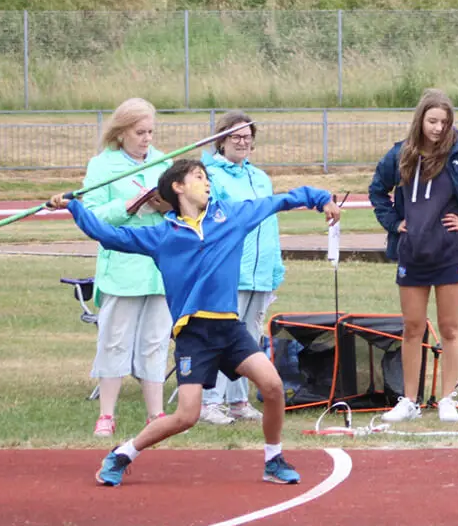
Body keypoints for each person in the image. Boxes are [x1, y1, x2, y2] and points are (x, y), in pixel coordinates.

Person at [48, 159, 341, 487]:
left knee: (272, 387)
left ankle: (273, 459)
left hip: (230, 329)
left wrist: (321, 198)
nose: (207, 183)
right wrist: (74, 207)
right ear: (178, 187)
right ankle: (123, 454)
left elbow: (281, 200)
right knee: (186, 416)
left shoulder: (230, 216)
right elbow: (108, 235)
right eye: (199, 177)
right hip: (193, 335)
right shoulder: (162, 236)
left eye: (207, 177)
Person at [368, 88, 458, 424]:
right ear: (420, 120)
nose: (438, 128)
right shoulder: (401, 154)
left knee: (450, 328)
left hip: (450, 253)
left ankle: (447, 398)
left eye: (444, 122)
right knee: (412, 328)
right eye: (432, 120)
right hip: (412, 254)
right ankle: (409, 401)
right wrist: (393, 222)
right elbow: (377, 190)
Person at [82, 97, 173, 437]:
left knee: (156, 341)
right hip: (122, 268)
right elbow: (93, 215)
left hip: (160, 270)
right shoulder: (101, 166)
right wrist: (129, 206)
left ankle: (156, 414)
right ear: (121, 133)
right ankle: (106, 414)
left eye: (150, 131)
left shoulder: (165, 162)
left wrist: (165, 205)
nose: (146, 138)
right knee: (114, 340)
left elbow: (183, 208)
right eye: (139, 132)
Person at [198, 111, 284, 425]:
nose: (242, 142)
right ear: (221, 139)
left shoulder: (260, 178)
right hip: (229, 271)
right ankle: (210, 402)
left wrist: (274, 269)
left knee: (248, 338)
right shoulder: (209, 174)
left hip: (260, 271)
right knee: (222, 335)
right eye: (236, 136)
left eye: (248, 136)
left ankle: (238, 401)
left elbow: (270, 223)